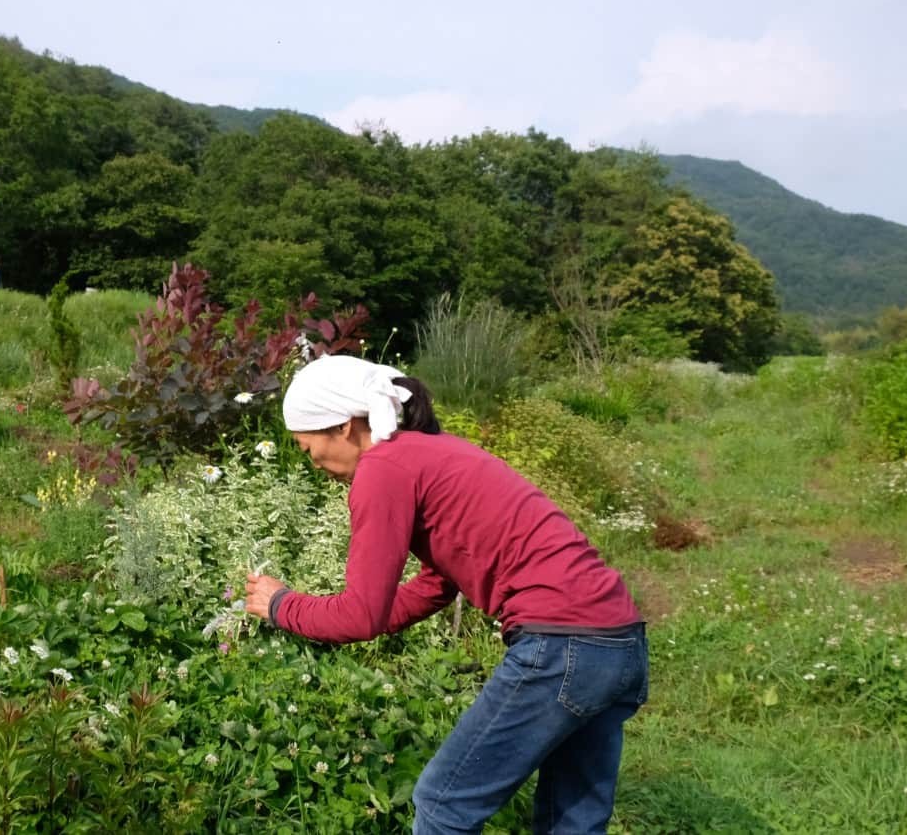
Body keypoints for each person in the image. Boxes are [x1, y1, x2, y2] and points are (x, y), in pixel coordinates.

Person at [245, 355, 648, 834]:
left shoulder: (384, 467)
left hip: (563, 646)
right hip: (619, 643)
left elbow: (359, 616)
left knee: (442, 804)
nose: (314, 463)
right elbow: (437, 584)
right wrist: (356, 614)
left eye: (307, 447)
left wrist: (279, 604)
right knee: (571, 819)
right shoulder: (436, 451)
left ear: (345, 427)